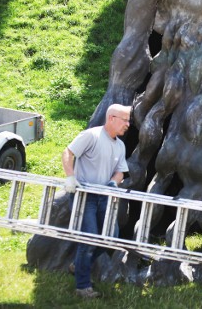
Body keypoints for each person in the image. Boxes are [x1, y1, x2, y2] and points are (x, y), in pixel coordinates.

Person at [62, 103, 131, 299]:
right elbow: (68, 153)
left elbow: (120, 172)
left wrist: (112, 183)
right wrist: (70, 177)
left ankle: (79, 265)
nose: (128, 124)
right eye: (125, 120)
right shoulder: (91, 135)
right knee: (90, 238)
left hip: (104, 197)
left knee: (112, 236)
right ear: (111, 118)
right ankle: (82, 287)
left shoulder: (120, 145)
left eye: (128, 120)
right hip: (85, 197)